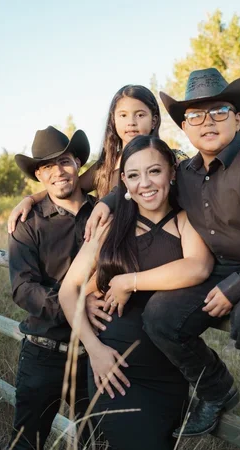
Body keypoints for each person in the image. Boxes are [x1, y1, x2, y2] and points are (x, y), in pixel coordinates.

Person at [84, 68, 240, 450]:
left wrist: (236, 287)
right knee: (160, 316)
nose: (206, 121)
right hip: (221, 270)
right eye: (195, 115)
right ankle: (216, 388)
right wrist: (108, 202)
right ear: (185, 126)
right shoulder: (187, 171)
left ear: (238, 118)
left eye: (219, 111)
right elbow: (146, 178)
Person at [58, 135, 214, 450]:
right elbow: (67, 292)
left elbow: (198, 267)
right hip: (115, 370)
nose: (145, 183)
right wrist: (94, 349)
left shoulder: (186, 221)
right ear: (125, 184)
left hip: (169, 371)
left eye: (154, 171)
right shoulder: (110, 227)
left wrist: (128, 281)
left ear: (172, 172)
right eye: (133, 175)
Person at [8, 126, 95, 449]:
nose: (58, 171)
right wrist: (77, 307)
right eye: (47, 166)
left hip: (93, 356)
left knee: (96, 441)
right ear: (39, 176)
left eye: (65, 161)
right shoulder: (27, 225)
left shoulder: (103, 213)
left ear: (78, 164)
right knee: (28, 442)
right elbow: (23, 288)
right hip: (44, 352)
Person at [7, 84, 188, 234]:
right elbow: (69, 184)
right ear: (114, 121)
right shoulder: (106, 165)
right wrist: (30, 199)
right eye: (123, 115)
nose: (131, 122)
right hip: (115, 248)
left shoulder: (172, 159)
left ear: (154, 120)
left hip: (164, 239)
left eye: (140, 115)